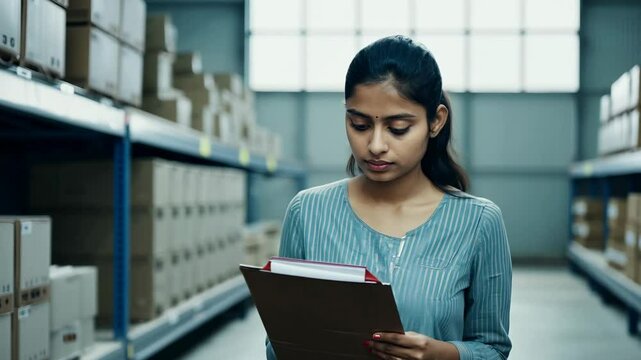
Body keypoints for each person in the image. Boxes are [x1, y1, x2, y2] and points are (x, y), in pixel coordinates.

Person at [266, 35, 512, 360]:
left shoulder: (478, 222)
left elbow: (493, 348)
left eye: (398, 128)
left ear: (435, 121)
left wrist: (443, 354)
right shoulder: (307, 212)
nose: (376, 145)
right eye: (359, 124)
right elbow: (278, 345)